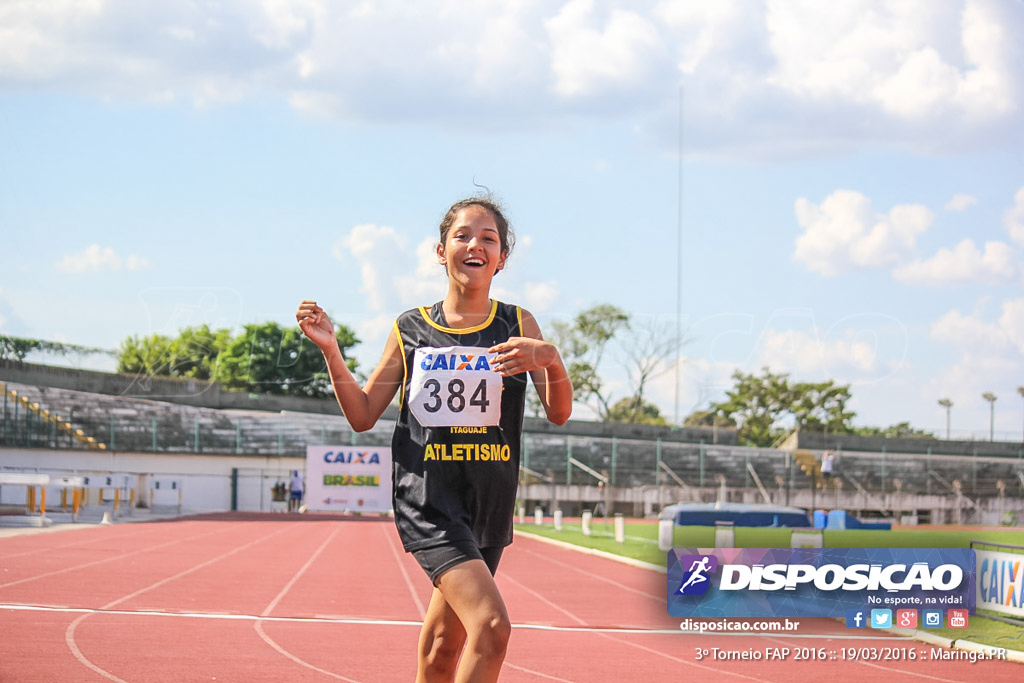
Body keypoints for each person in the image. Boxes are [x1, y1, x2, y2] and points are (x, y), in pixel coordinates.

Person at [296, 196, 572, 683]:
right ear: (440, 250)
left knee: (444, 648)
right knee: (492, 627)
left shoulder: (517, 324)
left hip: (489, 501)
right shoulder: (411, 328)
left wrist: (550, 359)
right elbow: (362, 415)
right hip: (430, 501)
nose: (475, 245)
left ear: (501, 259)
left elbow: (559, 412)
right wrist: (331, 351)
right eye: (463, 235)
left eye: (489, 238)